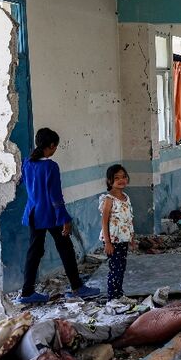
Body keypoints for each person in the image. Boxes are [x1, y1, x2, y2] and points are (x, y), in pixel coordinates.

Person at [17, 128, 99, 304]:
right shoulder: (51, 166)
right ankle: (77, 287)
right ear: (52, 145)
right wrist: (65, 218)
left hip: (32, 213)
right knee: (66, 249)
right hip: (50, 214)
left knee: (34, 252)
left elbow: (20, 181)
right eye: (56, 147)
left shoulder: (26, 163)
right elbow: (55, 196)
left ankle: (26, 292)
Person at [99, 164, 135, 300]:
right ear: (109, 181)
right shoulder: (109, 200)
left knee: (121, 267)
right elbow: (104, 221)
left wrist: (132, 237)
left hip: (123, 238)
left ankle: (119, 294)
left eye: (124, 177)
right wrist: (107, 242)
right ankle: (113, 297)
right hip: (113, 240)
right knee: (115, 269)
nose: (121, 180)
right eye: (117, 178)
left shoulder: (126, 197)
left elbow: (129, 218)